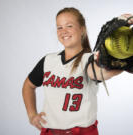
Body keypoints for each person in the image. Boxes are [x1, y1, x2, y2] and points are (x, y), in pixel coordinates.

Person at [22, 7, 123, 135]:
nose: (64, 31)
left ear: (82, 29)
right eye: (59, 27)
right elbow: (28, 86)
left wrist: (121, 65)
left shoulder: (90, 59)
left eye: (69, 26)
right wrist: (32, 115)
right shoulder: (48, 60)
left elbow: (100, 72)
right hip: (49, 132)